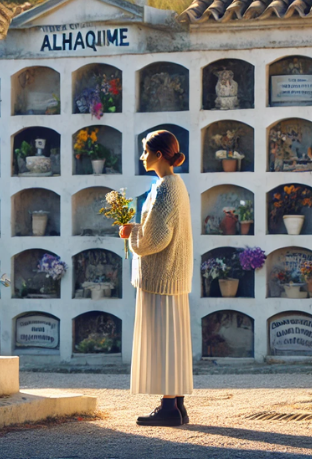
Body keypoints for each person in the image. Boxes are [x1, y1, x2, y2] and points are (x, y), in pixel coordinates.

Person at [120, 130, 193, 427]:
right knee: (172, 341)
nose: (141, 157)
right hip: (171, 276)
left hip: (162, 278)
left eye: (145, 151)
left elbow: (157, 238)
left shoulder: (165, 188)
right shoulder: (174, 184)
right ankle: (176, 406)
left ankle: (168, 409)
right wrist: (138, 227)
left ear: (159, 154)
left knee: (163, 342)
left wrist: (131, 233)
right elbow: (161, 228)